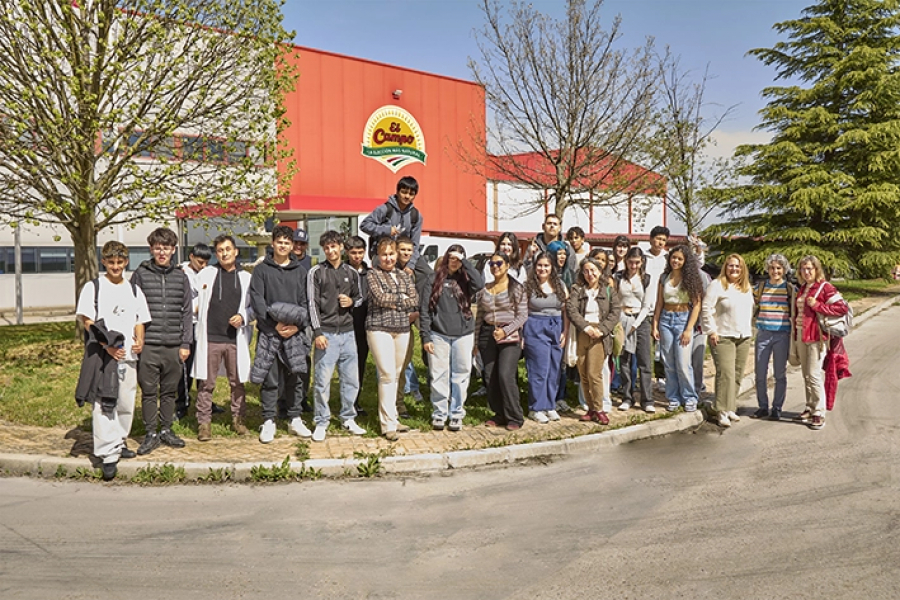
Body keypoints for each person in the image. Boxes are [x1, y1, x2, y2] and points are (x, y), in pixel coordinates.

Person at [75, 241, 150, 480]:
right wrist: (105, 345)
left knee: (126, 402)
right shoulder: (94, 287)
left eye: (120, 262)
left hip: (128, 355)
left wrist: (140, 340)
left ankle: (119, 441)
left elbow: (140, 319)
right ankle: (108, 454)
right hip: (103, 355)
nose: (115, 266)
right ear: (104, 262)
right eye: (111, 262)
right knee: (105, 401)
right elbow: (87, 320)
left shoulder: (134, 290)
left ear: (126, 262)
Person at [131, 227, 192, 455]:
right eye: (158, 248)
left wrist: (186, 343)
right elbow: (132, 308)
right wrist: (136, 339)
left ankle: (166, 429)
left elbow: (187, 312)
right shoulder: (140, 274)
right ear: (151, 249)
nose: (162, 252)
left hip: (174, 346)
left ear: (173, 250)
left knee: (168, 392)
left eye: (166, 248)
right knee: (148, 391)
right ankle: (150, 433)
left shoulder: (181, 277)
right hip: (149, 345)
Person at [249, 225, 312, 444]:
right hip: (270, 332)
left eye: (288, 242)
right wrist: (272, 326)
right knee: (270, 376)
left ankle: (295, 417)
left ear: (292, 245)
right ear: (273, 244)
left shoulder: (300, 272)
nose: (284, 246)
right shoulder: (261, 270)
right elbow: (257, 300)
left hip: (295, 332)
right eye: (280, 242)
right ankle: (269, 420)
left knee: (295, 376)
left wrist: (297, 326)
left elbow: (306, 302)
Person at [191, 235, 253, 440]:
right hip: (210, 337)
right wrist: (196, 308)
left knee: (237, 381)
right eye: (220, 250)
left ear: (236, 251)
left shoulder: (246, 278)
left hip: (234, 339)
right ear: (216, 254)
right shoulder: (207, 274)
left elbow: (253, 308)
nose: (224, 253)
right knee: (206, 383)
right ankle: (204, 423)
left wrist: (243, 317)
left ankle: (238, 420)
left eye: (228, 249)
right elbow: (190, 297)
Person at [307, 230, 366, 442]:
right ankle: (321, 420)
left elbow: (360, 298)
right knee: (322, 381)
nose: (331, 251)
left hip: (348, 333)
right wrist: (317, 332)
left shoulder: (352, 272)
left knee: (351, 380)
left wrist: (351, 302)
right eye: (327, 248)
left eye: (334, 246)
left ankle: (348, 417)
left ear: (341, 247)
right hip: (327, 334)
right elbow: (311, 304)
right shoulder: (316, 272)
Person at [420, 245, 484, 431]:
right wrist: (426, 337)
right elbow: (424, 310)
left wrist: (464, 261)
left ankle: (456, 413)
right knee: (439, 375)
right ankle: (439, 413)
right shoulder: (433, 279)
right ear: (446, 258)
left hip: (463, 334)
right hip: (438, 334)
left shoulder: (466, 280)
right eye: (452, 257)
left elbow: (479, 284)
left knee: (461, 375)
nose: (454, 262)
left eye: (458, 258)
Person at [366, 238, 419, 441]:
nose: (388, 258)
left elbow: (414, 299)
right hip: (379, 328)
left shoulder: (404, 276)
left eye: (391, 254)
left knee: (397, 374)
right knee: (387, 374)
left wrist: (398, 300)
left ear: (396, 255)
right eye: (384, 254)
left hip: (402, 328)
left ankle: (394, 417)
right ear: (378, 256)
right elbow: (379, 298)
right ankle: (387, 424)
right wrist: (401, 299)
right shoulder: (373, 274)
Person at [791, 255, 850, 431]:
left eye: (810, 268)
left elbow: (842, 308)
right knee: (806, 374)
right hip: (801, 334)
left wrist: (817, 305)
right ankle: (810, 406)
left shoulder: (825, 287)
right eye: (803, 268)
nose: (806, 271)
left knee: (814, 374)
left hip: (817, 336)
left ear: (817, 269)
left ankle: (819, 412)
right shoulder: (803, 288)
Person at [475, 251, 528, 430]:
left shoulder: (517, 288)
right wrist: (475, 341)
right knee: (490, 376)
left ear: (507, 266)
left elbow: (522, 316)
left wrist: (505, 332)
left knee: (505, 375)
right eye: (491, 264)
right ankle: (499, 414)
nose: (495, 267)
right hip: (487, 333)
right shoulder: (484, 289)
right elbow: (480, 316)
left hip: (509, 335)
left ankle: (514, 415)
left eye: (498, 263)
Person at [702, 253, 755, 428]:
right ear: (726, 267)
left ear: (742, 269)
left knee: (738, 373)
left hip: (743, 336)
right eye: (731, 265)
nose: (734, 269)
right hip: (722, 335)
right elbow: (706, 308)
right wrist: (711, 331)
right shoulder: (717, 286)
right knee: (726, 373)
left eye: (737, 266)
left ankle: (730, 405)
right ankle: (721, 410)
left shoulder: (746, 287)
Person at [566, 257, 621, 424]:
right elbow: (572, 309)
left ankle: (599, 408)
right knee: (583, 373)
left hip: (600, 334)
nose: (590, 274)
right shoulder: (577, 289)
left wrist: (601, 330)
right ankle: (590, 408)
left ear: (599, 271)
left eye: (593, 270)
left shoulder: (608, 291)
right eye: (586, 271)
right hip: (583, 332)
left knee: (594, 374)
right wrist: (585, 327)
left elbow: (615, 312)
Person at [652, 245, 703, 412]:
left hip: (683, 319)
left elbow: (696, 305)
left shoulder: (690, 279)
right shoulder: (663, 277)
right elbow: (659, 303)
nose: (676, 261)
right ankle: (673, 397)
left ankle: (689, 396)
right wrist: (655, 324)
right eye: (674, 257)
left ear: (685, 261)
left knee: (683, 362)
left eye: (680, 258)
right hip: (666, 319)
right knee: (669, 362)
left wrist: (689, 329)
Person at [523, 251, 568, 423]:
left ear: (552, 267)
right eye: (539, 265)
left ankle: (549, 405)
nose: (543, 268)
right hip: (535, 326)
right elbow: (521, 311)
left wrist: (565, 332)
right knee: (539, 369)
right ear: (534, 267)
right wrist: (522, 335)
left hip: (556, 326)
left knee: (554, 369)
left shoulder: (560, 284)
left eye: (546, 265)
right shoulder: (528, 285)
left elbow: (566, 310)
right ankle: (536, 407)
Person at [752, 254, 795, 420]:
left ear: (784, 270)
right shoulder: (760, 287)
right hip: (763, 333)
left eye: (778, 268)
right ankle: (762, 406)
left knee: (779, 374)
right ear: (767, 269)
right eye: (772, 268)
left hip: (782, 334)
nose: (775, 271)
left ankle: (777, 407)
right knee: (760, 373)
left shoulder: (789, 288)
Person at [614, 246, 655, 413]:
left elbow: (647, 305)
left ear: (642, 262)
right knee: (624, 361)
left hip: (641, 320)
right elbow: (615, 300)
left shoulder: (647, 279)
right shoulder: (618, 278)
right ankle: (627, 396)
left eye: (637, 262)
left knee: (644, 361)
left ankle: (647, 399)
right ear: (626, 261)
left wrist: (636, 324)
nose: (633, 266)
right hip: (623, 318)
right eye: (631, 262)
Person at [277, 227, 312, 416]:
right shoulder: (283, 262)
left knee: (303, 359)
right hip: (284, 317)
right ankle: (282, 400)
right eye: (295, 243)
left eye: (302, 243)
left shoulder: (309, 263)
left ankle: (301, 398)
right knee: (283, 360)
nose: (298, 246)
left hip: (304, 318)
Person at [176, 242, 211, 420]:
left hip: (204, 325)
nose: (203, 266)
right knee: (186, 366)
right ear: (191, 257)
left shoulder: (208, 273)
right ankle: (181, 402)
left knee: (204, 366)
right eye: (199, 262)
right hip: (187, 324)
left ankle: (205, 401)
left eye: (205, 262)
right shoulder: (180, 273)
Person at [360, 176, 424, 266]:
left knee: (427, 273)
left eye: (411, 194)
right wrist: (387, 230)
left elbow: (415, 244)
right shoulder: (384, 209)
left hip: (404, 256)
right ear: (397, 192)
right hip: (382, 255)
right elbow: (365, 225)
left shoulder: (416, 216)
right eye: (404, 192)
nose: (407, 196)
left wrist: (411, 265)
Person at [345, 235, 370, 416]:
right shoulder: (342, 271)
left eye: (360, 252)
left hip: (365, 325)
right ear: (347, 252)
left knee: (360, 364)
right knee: (344, 366)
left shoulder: (370, 273)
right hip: (345, 324)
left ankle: (356, 401)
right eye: (353, 252)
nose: (357, 256)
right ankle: (343, 401)